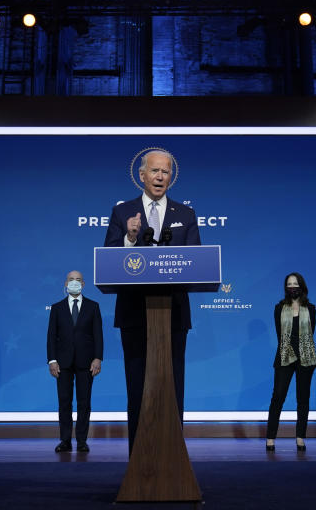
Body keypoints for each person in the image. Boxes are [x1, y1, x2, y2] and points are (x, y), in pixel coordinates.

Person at [103, 149, 201, 452]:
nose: (160, 177)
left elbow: (196, 262)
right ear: (142, 175)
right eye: (155, 171)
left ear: (171, 176)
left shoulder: (185, 214)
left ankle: (173, 457)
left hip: (173, 315)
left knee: (173, 389)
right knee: (138, 388)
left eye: (166, 172)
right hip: (134, 314)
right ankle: (138, 460)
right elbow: (108, 260)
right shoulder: (123, 212)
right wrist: (129, 239)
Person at [47, 270, 103, 453]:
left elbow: (98, 335)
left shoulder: (93, 307)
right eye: (71, 280)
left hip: (86, 363)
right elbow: (51, 337)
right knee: (64, 402)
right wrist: (52, 360)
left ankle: (81, 441)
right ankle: (64, 440)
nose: (74, 283)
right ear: (65, 283)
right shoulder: (57, 308)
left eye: (78, 280)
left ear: (83, 284)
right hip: (62, 363)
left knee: (84, 403)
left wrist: (98, 358)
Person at [265, 272, 316, 452]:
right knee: (278, 396)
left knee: (303, 399)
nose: (292, 286)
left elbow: (312, 333)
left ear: (301, 286)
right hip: (284, 356)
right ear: (286, 288)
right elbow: (280, 335)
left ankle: (300, 437)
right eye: (289, 284)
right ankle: (270, 438)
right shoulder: (279, 308)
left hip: (306, 357)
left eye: (295, 283)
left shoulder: (310, 308)